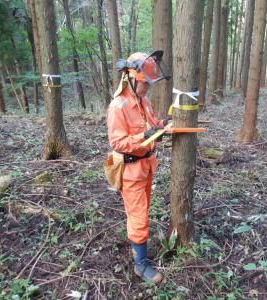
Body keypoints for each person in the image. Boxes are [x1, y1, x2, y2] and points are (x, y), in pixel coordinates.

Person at [107, 50, 171, 283]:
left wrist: (164, 126)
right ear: (131, 78)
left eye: (148, 84)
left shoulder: (144, 101)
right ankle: (140, 265)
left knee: (142, 211)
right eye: (144, 84)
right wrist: (145, 136)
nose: (147, 88)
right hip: (131, 171)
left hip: (147, 166)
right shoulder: (118, 106)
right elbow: (117, 142)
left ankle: (140, 250)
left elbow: (153, 124)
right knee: (138, 217)